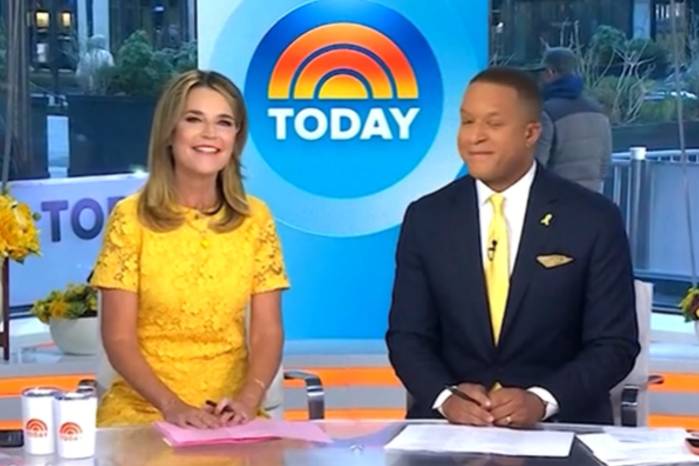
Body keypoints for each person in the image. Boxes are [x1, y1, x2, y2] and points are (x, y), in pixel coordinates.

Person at [386, 67, 639, 427]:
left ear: (530, 133)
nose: (475, 137)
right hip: (450, 431)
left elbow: (614, 343)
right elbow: (407, 337)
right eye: (467, 121)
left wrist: (543, 400)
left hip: (561, 429)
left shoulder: (593, 218)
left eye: (493, 124)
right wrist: (445, 398)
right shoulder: (426, 218)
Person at [90, 70, 289, 428]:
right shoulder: (130, 218)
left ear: (236, 138)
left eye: (224, 122)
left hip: (231, 416)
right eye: (194, 119)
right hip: (146, 413)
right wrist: (173, 407)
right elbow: (117, 337)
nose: (210, 134)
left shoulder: (256, 219)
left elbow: (267, 332)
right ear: (170, 132)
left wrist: (247, 401)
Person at [533, 47, 612, 192]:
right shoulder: (598, 111)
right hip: (590, 196)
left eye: (542, 72)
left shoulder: (547, 113)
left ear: (550, 72)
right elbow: (605, 163)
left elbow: (537, 166)